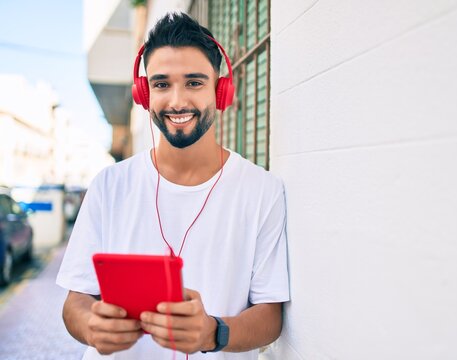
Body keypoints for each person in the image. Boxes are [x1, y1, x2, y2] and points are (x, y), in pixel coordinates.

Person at [56, 12, 289, 360]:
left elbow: (271, 316)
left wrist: (213, 332)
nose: (177, 101)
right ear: (144, 92)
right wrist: (91, 326)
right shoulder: (109, 184)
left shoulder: (262, 190)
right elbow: (76, 301)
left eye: (194, 83)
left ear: (221, 90)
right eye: (162, 84)